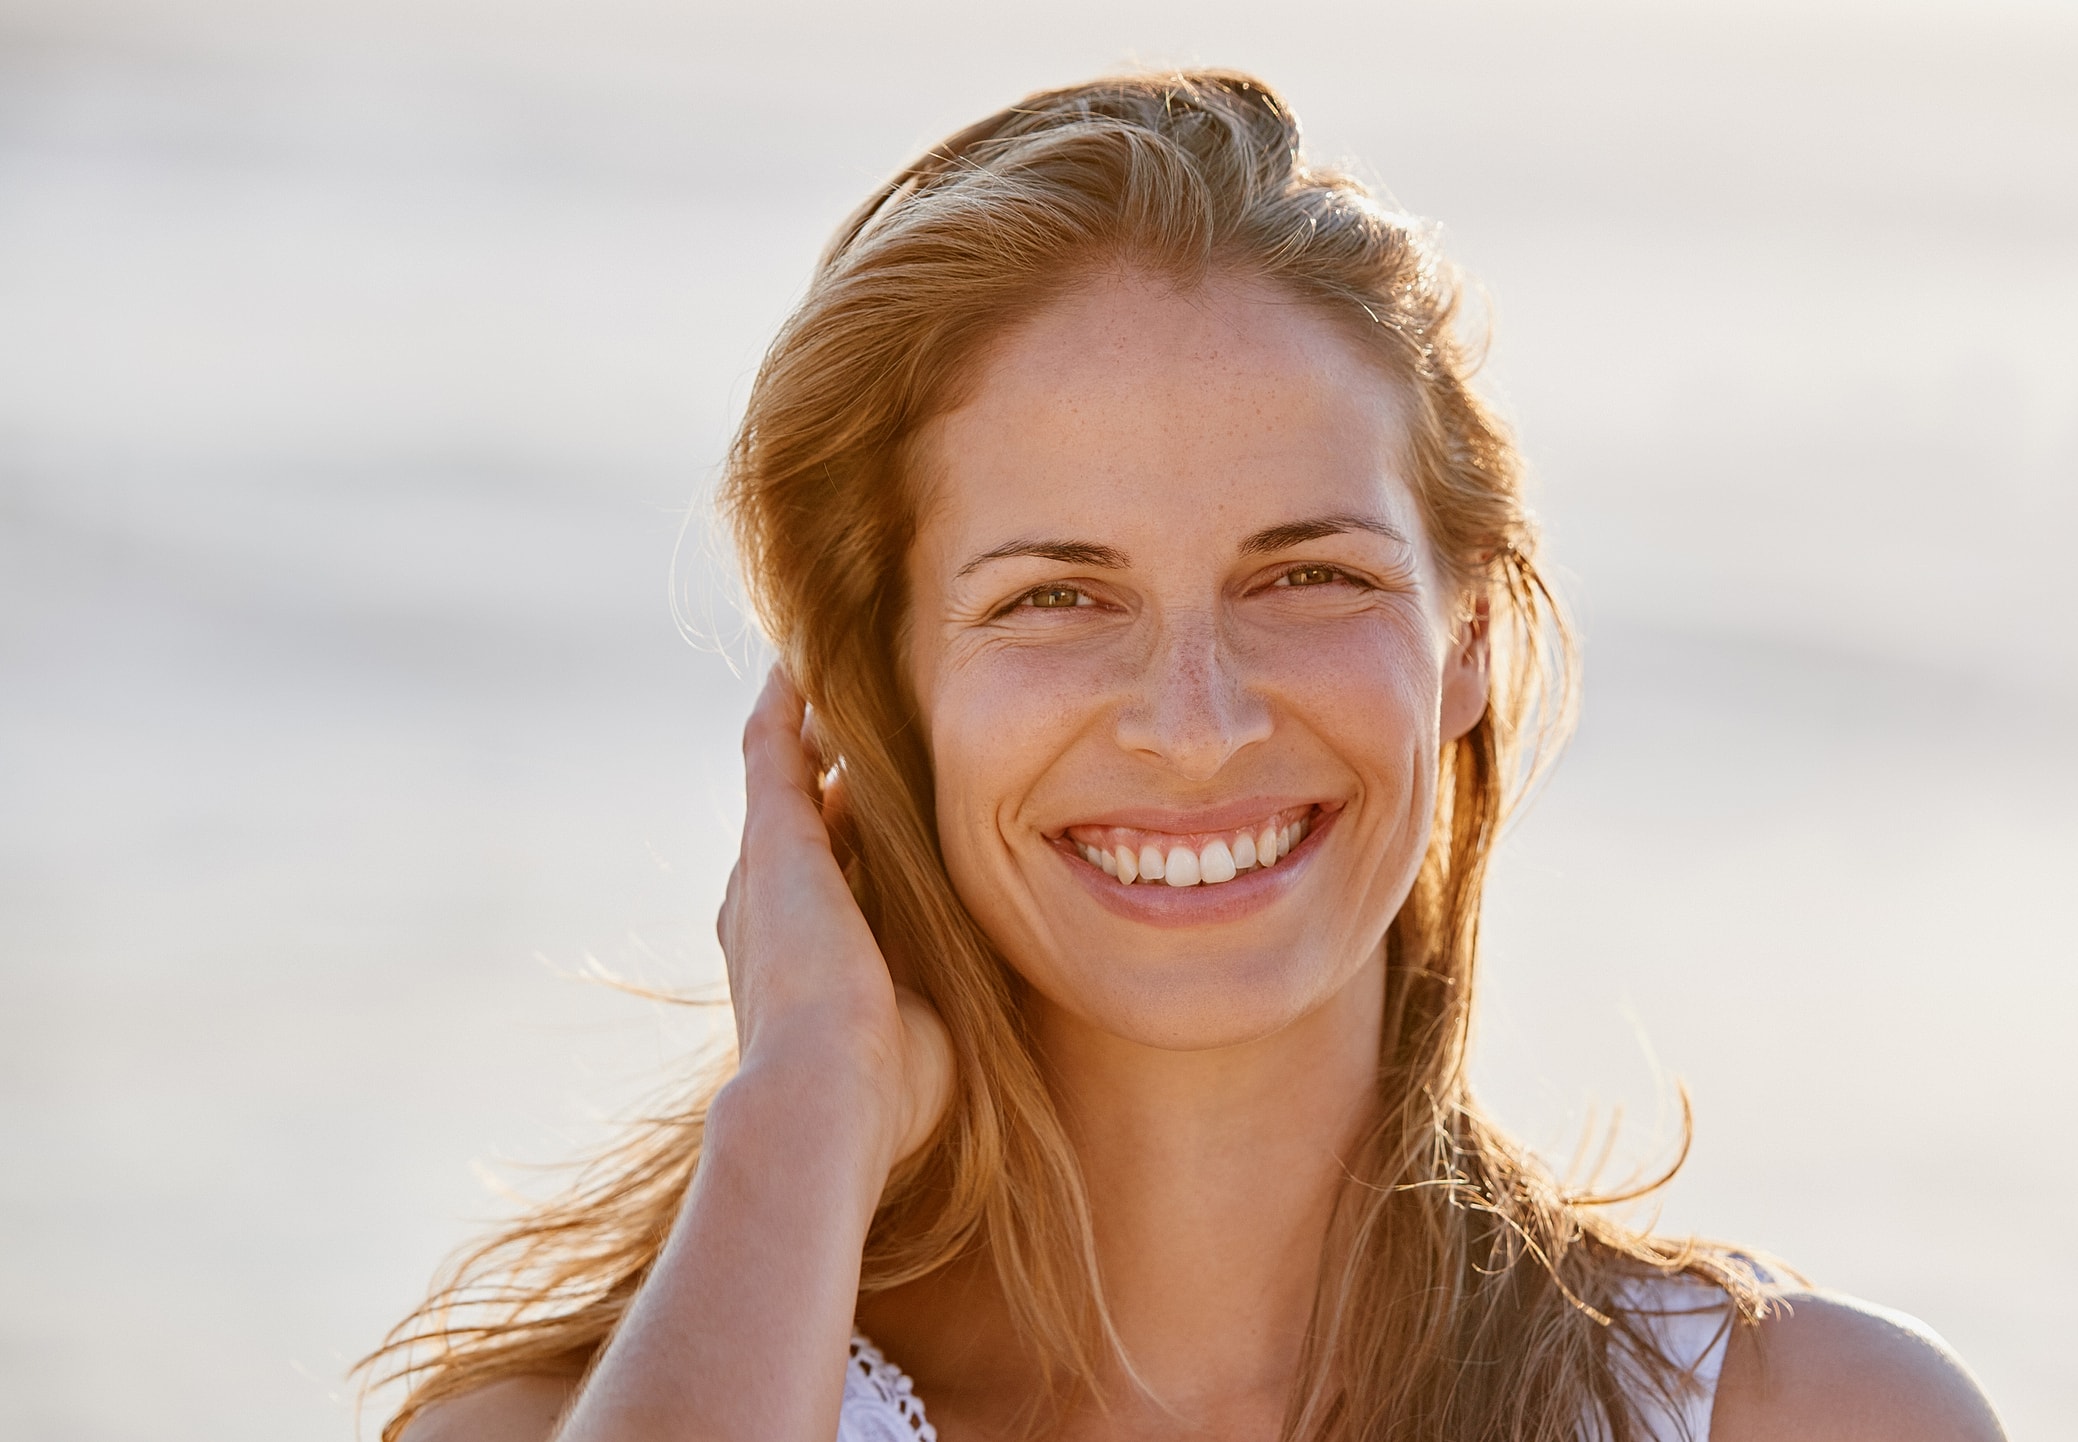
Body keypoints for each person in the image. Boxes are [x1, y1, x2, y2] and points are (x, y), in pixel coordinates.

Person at [364, 71, 2005, 1442]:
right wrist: (801, 1108)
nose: (1196, 718)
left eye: (1307, 576)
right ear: (881, 696)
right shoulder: (584, 1415)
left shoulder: (1811, 1416)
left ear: (1467, 640)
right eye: (1055, 596)